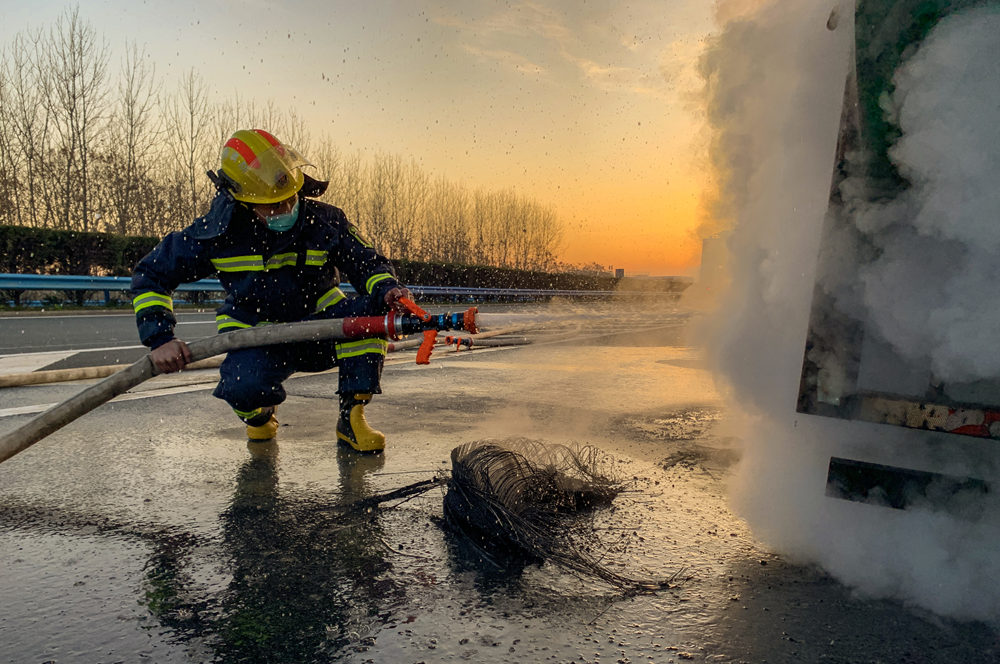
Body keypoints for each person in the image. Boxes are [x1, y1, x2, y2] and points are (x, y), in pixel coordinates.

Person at [130, 128, 410, 453]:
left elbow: (366, 263)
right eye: (273, 205)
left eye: (291, 198)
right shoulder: (215, 233)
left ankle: (352, 417)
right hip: (255, 334)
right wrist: (161, 338)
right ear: (243, 200)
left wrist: (388, 289)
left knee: (370, 316)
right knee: (242, 386)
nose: (286, 209)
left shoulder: (325, 221)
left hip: (321, 325)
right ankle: (259, 418)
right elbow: (150, 274)